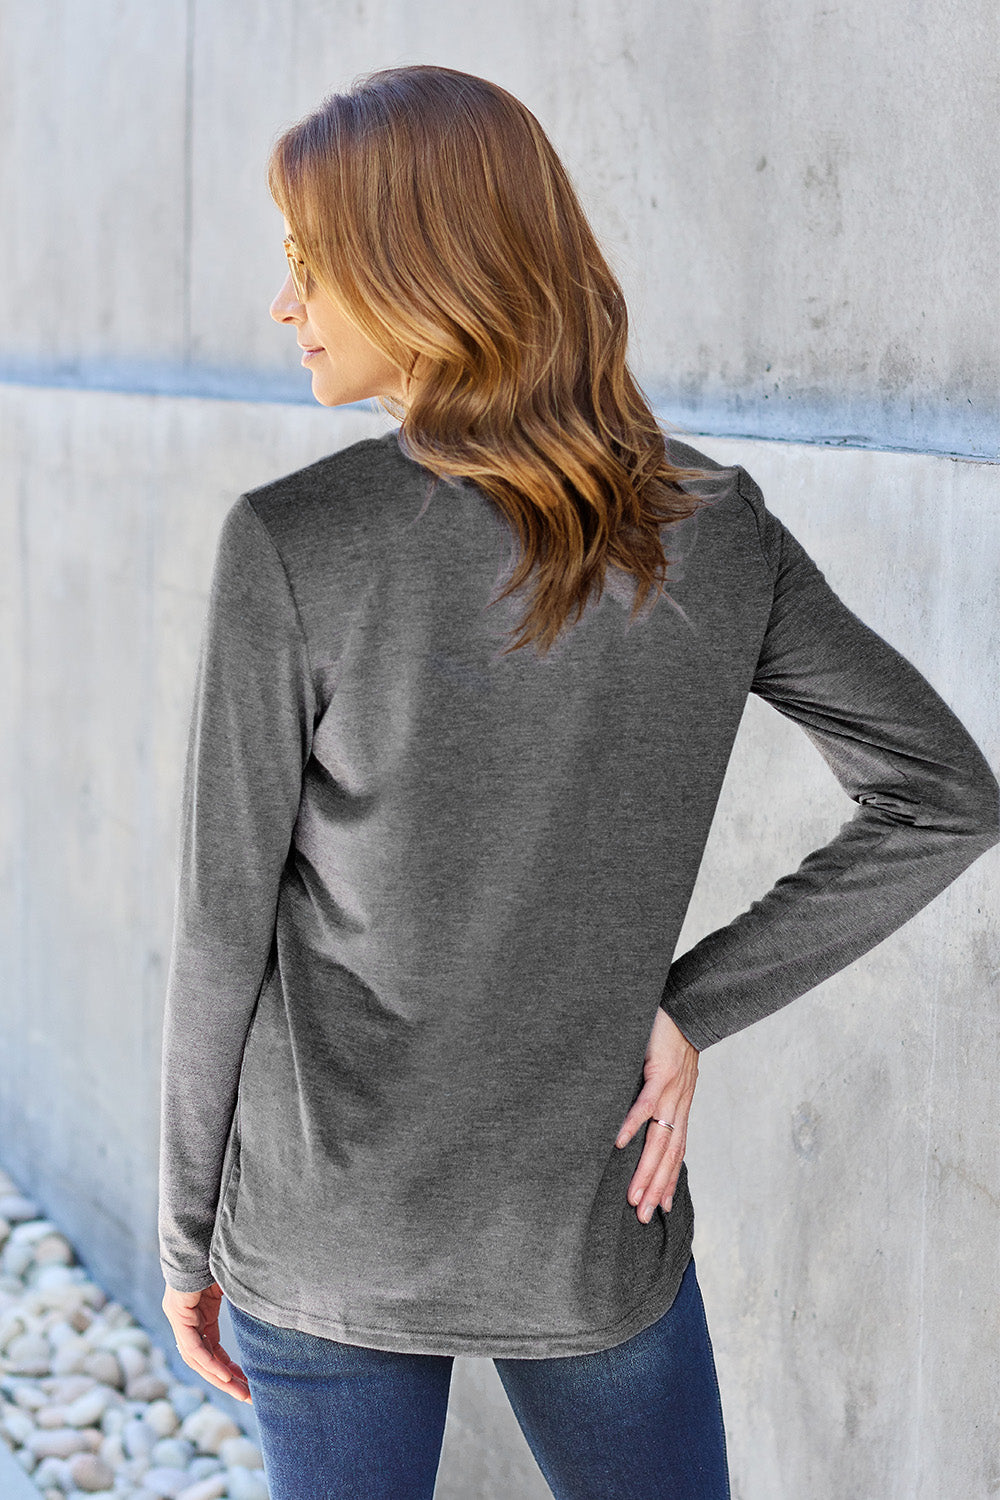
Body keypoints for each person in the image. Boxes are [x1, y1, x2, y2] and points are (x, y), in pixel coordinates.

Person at [156, 64, 999, 1500]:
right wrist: (690, 1007)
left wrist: (186, 1240)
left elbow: (221, 930)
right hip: (588, 1216)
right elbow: (946, 794)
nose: (285, 306)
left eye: (308, 265)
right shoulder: (714, 533)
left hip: (333, 1233)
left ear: (418, 269)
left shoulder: (298, 546)